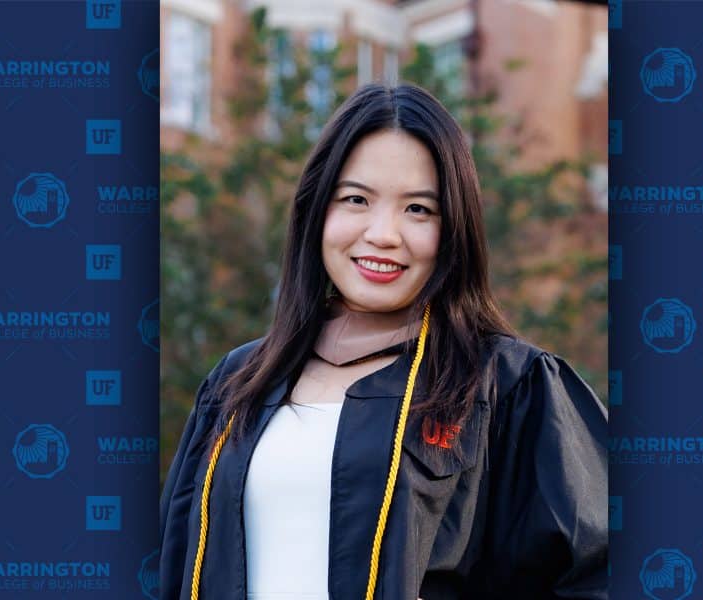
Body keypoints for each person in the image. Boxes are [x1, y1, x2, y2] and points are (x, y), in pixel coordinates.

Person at [160, 83, 608, 600]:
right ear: (316, 211)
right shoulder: (237, 384)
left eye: (418, 209)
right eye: (356, 199)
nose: (383, 233)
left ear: (454, 227)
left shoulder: (509, 387)